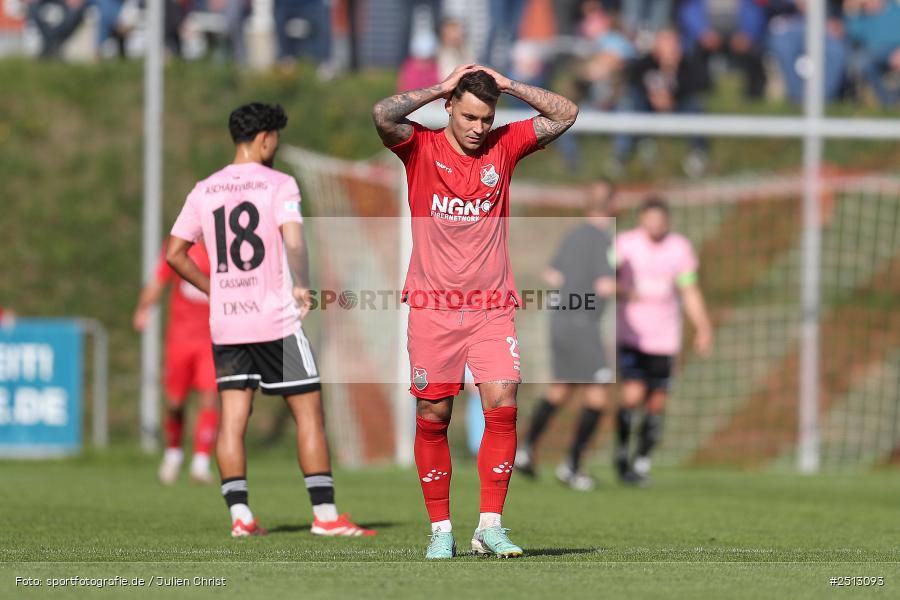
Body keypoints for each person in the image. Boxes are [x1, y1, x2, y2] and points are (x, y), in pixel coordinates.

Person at [372, 64, 578, 558]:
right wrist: (441, 86)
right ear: (449, 108)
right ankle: (441, 530)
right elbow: (383, 114)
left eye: (486, 118)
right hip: (433, 307)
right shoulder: (419, 147)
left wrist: (508, 85)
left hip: (491, 308)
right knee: (434, 413)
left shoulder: (503, 147)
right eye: (468, 116)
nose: (478, 127)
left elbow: (566, 113)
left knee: (503, 403)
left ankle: (489, 525)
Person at [166, 102, 374, 538]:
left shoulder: (205, 189)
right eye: (275, 139)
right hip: (275, 323)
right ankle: (325, 516)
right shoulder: (279, 184)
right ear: (264, 139)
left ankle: (240, 517)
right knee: (309, 414)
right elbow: (294, 242)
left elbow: (174, 254)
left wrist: (214, 288)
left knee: (232, 418)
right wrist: (304, 283)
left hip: (228, 324)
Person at [515, 179, 617, 492]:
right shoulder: (601, 238)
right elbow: (605, 286)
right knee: (598, 393)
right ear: (612, 204)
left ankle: (525, 450)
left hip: (559, 318)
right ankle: (571, 466)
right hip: (581, 321)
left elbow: (552, 274)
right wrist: (631, 289)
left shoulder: (573, 235)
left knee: (561, 388)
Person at [613, 197, 713, 485]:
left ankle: (642, 461)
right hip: (632, 335)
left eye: (660, 219)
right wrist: (619, 288)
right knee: (632, 396)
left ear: (667, 221)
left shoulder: (679, 248)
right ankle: (622, 453)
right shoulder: (625, 244)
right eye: (650, 218)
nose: (655, 224)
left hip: (665, 338)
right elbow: (603, 277)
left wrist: (703, 327)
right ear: (641, 219)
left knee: (656, 401)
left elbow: (689, 289)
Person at [133, 242, 219, 485]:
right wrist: (143, 308)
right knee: (174, 402)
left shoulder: (225, 246)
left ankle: (200, 464)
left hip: (212, 338)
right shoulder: (181, 246)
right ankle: (173, 455)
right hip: (180, 339)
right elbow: (158, 280)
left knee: (210, 398)